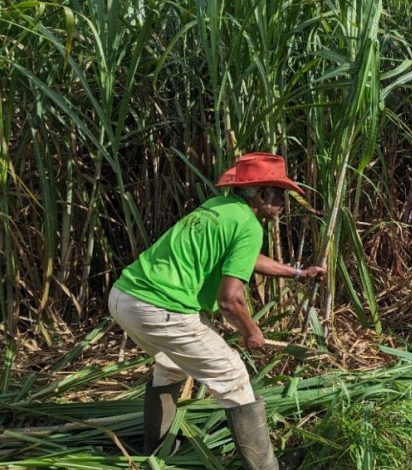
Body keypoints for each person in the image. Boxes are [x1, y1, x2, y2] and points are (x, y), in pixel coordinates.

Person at [107, 153, 326, 469]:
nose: (282, 203)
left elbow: (245, 259)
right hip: (160, 308)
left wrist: (295, 273)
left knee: (170, 364)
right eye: (280, 195)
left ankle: (159, 453)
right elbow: (230, 299)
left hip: (125, 297)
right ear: (261, 194)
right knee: (233, 374)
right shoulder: (249, 225)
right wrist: (251, 331)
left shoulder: (218, 208)